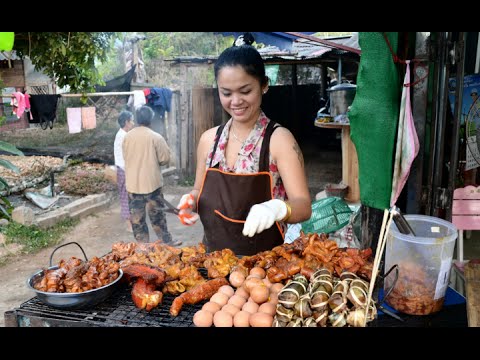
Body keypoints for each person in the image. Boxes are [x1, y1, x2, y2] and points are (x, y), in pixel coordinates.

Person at [177, 36, 312, 256]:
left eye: (245, 91)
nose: (236, 101)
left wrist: (278, 208)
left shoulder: (280, 140)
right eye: (226, 93)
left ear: (264, 85)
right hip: (213, 263)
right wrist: (190, 200)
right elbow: (198, 189)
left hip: (265, 269)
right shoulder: (208, 140)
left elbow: (303, 205)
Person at [123, 105, 182, 246]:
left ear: (137, 119)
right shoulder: (156, 137)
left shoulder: (127, 137)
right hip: (152, 185)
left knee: (137, 220)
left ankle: (144, 248)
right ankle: (167, 243)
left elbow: (126, 157)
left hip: (133, 186)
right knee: (158, 217)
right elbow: (164, 159)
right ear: (151, 119)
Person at [114, 110, 135, 232]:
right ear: (126, 122)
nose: (133, 123)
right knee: (125, 197)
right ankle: (128, 225)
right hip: (123, 169)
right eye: (132, 120)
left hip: (125, 169)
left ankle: (131, 221)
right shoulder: (123, 136)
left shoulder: (123, 134)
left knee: (129, 196)